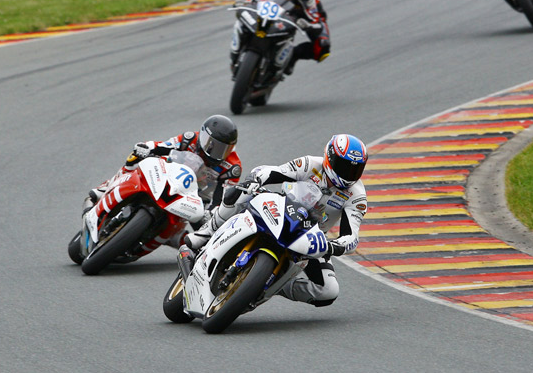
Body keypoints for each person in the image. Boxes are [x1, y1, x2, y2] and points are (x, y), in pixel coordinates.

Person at [180, 134, 369, 307]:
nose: (349, 173)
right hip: (281, 209)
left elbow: (351, 237)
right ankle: (205, 234)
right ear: (330, 158)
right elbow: (274, 172)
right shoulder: (311, 164)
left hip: (310, 236)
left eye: (356, 169)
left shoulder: (357, 196)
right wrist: (255, 180)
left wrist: (332, 247)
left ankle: (270, 285)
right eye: (344, 166)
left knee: (328, 291)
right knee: (239, 193)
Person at [86, 115, 242, 214]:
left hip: (196, 199)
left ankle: (180, 242)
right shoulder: (189, 139)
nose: (215, 152)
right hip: (169, 177)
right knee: (135, 158)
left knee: (207, 229)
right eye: (212, 145)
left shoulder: (232, 168)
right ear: (202, 135)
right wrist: (147, 147)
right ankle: (107, 187)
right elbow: (163, 146)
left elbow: (222, 199)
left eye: (223, 149)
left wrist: (212, 212)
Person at [231, 0, 330, 77]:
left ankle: (292, 57)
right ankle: (237, 51)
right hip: (273, 6)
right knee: (245, 17)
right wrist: (246, 3)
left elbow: (315, 18)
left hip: (299, 12)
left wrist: (309, 25)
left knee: (323, 48)